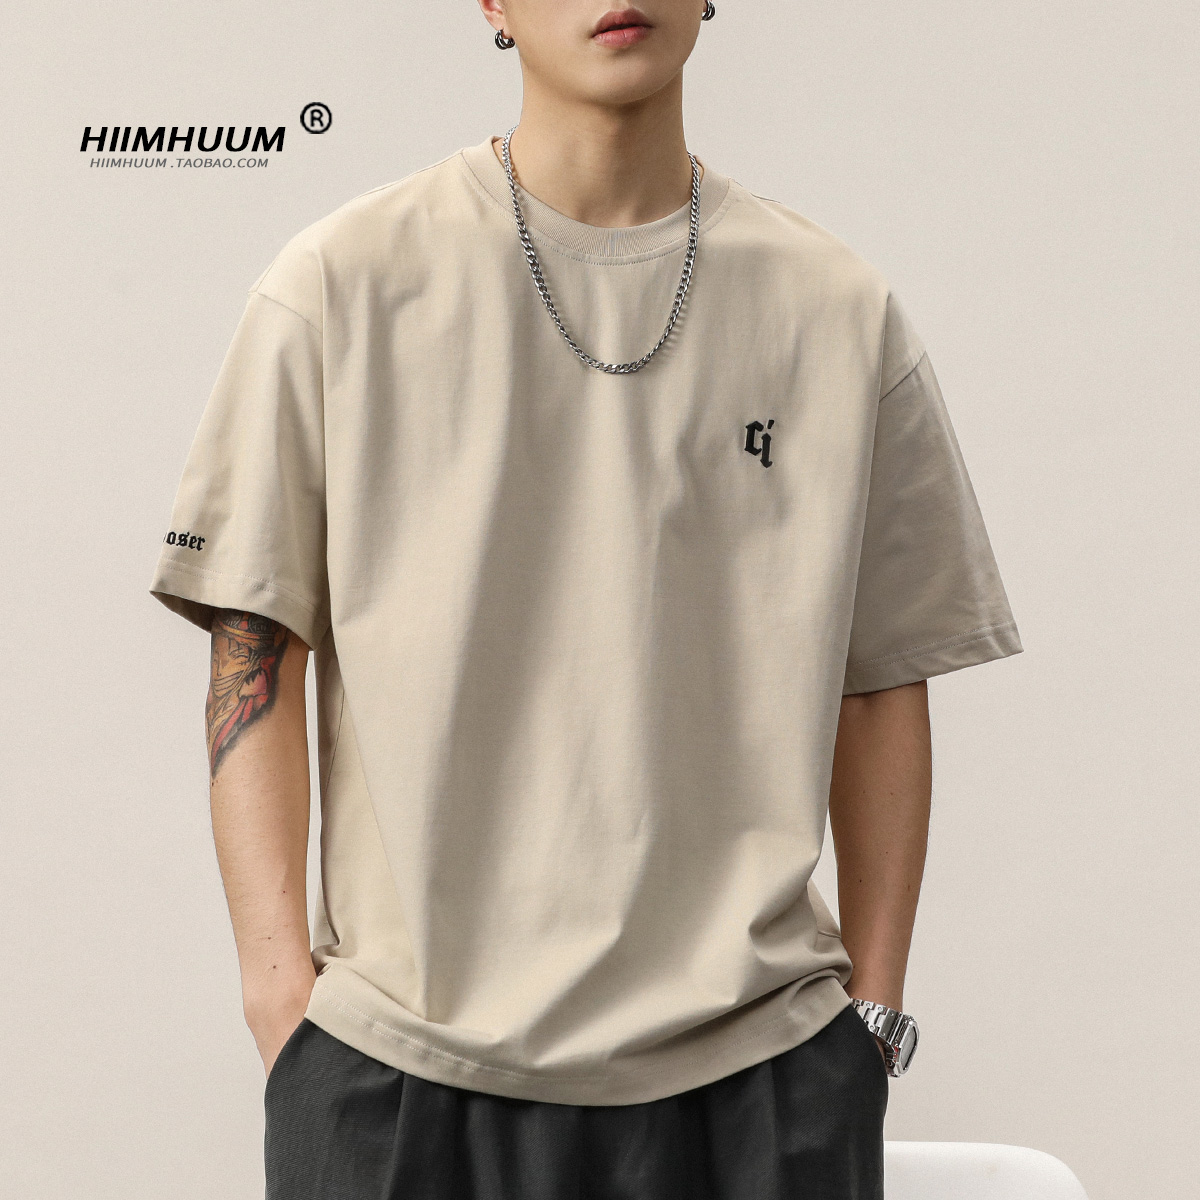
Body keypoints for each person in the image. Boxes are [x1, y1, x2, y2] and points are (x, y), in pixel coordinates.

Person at [148, 2, 1023, 1197]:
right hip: (403, 1068)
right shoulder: (342, 286)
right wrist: (280, 1006)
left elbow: (882, 683)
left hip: (758, 1071)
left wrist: (871, 1021)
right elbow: (254, 646)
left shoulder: (834, 310)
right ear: (491, 4)